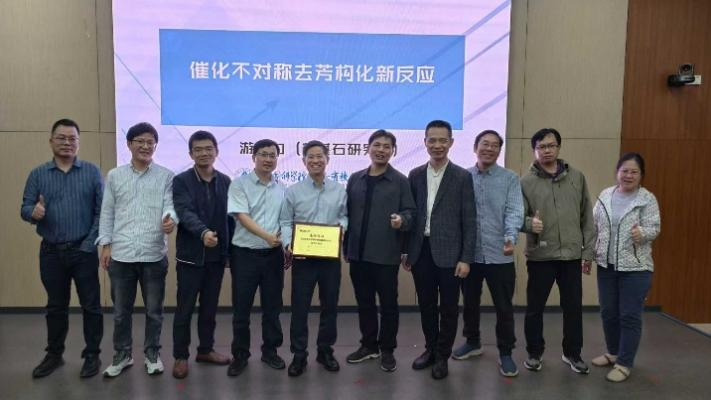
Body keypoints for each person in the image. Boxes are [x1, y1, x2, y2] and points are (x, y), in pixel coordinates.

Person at [20, 118, 104, 378]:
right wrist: (33, 213)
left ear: (78, 142)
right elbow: (25, 208)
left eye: (72, 138)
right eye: (61, 138)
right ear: (51, 141)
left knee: (91, 305)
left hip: (84, 251)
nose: (67, 142)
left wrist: (88, 245)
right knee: (56, 306)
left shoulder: (92, 172)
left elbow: (101, 213)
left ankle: (92, 355)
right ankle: (54, 355)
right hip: (51, 252)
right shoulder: (38, 174)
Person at [97, 122, 178, 377]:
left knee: (154, 312)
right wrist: (105, 244)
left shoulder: (166, 176)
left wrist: (170, 219)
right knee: (121, 312)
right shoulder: (115, 175)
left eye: (150, 142)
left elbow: (170, 205)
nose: (145, 146)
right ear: (129, 144)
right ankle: (123, 355)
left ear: (155, 145)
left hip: (153, 254)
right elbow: (107, 212)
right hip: (121, 254)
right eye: (140, 141)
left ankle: (152, 354)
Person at [403, 119, 476, 380]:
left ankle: (443, 355)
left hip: (451, 254)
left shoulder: (462, 176)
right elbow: (411, 214)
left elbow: (469, 220)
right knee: (426, 305)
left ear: (451, 142)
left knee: (448, 308)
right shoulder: (414, 175)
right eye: (432, 140)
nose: (437, 145)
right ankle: (430, 349)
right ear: (424, 142)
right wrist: (405, 250)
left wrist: (466, 258)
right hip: (420, 251)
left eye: (442, 140)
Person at [520, 128, 595, 374]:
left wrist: (587, 252)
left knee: (573, 308)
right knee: (535, 309)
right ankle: (534, 353)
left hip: (571, 255)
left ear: (559, 148)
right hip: (541, 256)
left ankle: (572, 353)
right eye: (541, 147)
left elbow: (587, 217)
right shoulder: (525, 182)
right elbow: (516, 216)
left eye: (551, 145)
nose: (547, 150)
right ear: (535, 150)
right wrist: (529, 223)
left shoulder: (577, 177)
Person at [452, 130, 523, 377]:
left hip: (500, 253)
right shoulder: (462, 177)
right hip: (469, 255)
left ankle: (506, 352)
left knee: (504, 307)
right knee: (469, 302)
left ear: (499, 151)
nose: (489, 149)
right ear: (475, 147)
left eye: (495, 145)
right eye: (485, 144)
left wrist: (510, 237)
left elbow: (515, 210)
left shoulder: (510, 178)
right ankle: (473, 342)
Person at [344, 129, 415, 372]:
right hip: (357, 254)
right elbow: (346, 214)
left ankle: (387, 350)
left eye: (386, 146)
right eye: (377, 145)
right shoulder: (355, 179)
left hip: (385, 255)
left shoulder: (400, 181)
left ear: (393, 151)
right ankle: (368, 345)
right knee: (364, 303)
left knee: (388, 306)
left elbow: (411, 213)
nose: (381, 150)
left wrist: (402, 220)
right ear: (368, 148)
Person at [279, 140, 348, 377]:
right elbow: (285, 221)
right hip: (303, 258)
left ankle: (325, 351)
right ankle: (299, 355)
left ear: (327, 159)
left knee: (330, 306)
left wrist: (342, 228)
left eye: (320, 156)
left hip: (329, 258)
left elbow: (345, 216)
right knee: (300, 308)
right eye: (311, 156)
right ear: (304, 161)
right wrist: (287, 243)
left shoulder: (339, 190)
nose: (315, 160)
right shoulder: (293, 191)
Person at [591, 152, 660, 382]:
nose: (628, 175)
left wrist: (643, 233)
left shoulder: (647, 199)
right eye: (624, 171)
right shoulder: (605, 195)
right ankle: (613, 353)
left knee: (629, 316)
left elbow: (654, 228)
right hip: (606, 266)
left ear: (641, 175)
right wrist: (588, 253)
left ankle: (624, 363)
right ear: (617, 172)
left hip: (636, 269)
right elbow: (594, 226)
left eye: (634, 172)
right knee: (608, 313)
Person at [171, 130, 233, 379]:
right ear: (191, 154)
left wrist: (229, 252)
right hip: (190, 256)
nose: (204, 153)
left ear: (217, 151)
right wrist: (203, 232)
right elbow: (184, 212)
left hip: (216, 258)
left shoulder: (226, 181)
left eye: (208, 148)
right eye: (198, 149)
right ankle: (180, 356)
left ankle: (205, 350)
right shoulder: (181, 181)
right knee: (184, 308)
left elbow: (230, 220)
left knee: (209, 308)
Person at [227, 139, 287, 377]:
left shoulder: (282, 188)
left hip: (273, 256)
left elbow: (285, 221)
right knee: (241, 309)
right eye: (263, 154)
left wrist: (287, 242)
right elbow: (241, 216)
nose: (268, 159)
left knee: (273, 307)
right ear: (254, 157)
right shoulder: (239, 184)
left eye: (272, 155)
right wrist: (267, 236)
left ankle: (270, 351)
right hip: (245, 255)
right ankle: (240, 355)